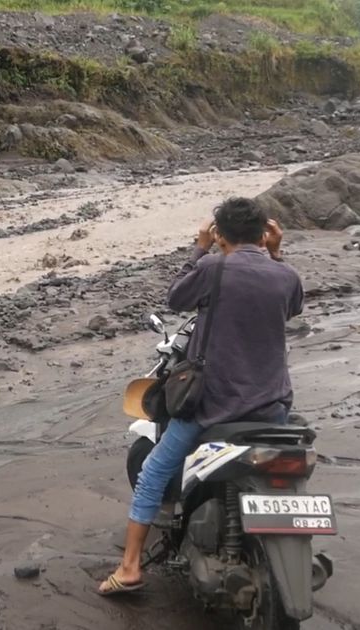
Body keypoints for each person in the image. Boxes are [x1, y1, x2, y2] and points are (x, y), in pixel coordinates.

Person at [97, 197, 304, 596]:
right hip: (273, 405)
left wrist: (199, 248)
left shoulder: (214, 267)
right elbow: (290, 309)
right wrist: (276, 253)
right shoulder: (286, 275)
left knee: (154, 471)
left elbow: (176, 298)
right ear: (264, 233)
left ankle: (129, 567)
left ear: (220, 234)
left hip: (213, 404)